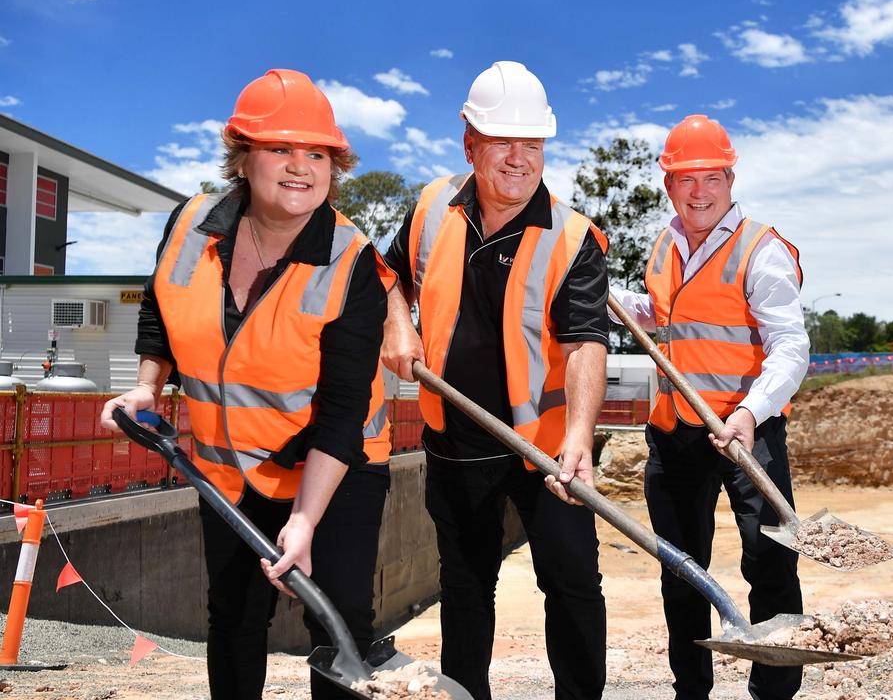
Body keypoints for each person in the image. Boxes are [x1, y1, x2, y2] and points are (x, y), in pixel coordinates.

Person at [100, 69, 394, 700]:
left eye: (316, 154)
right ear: (243, 156)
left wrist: (305, 519)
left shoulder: (351, 261)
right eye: (279, 149)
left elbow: (344, 408)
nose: (300, 168)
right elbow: (161, 310)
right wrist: (147, 386)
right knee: (233, 618)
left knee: (337, 625)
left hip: (333, 470)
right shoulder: (191, 225)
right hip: (228, 471)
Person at [380, 61, 610, 700]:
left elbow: (589, 341)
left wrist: (581, 441)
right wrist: (399, 326)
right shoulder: (431, 207)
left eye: (532, 144)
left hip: (546, 450)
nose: (518, 158)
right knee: (465, 587)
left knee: (570, 585)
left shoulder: (573, 237)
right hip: (454, 441)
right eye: (503, 141)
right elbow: (388, 276)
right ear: (469, 143)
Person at [610, 114, 809, 700]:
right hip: (675, 433)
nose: (699, 191)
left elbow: (790, 346)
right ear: (668, 183)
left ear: (729, 177)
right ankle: (689, 689)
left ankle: (773, 692)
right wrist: (604, 294)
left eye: (711, 177)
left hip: (749, 431)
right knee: (681, 571)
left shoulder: (761, 250)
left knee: (770, 564)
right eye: (685, 179)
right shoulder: (665, 245)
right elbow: (661, 316)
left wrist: (751, 412)